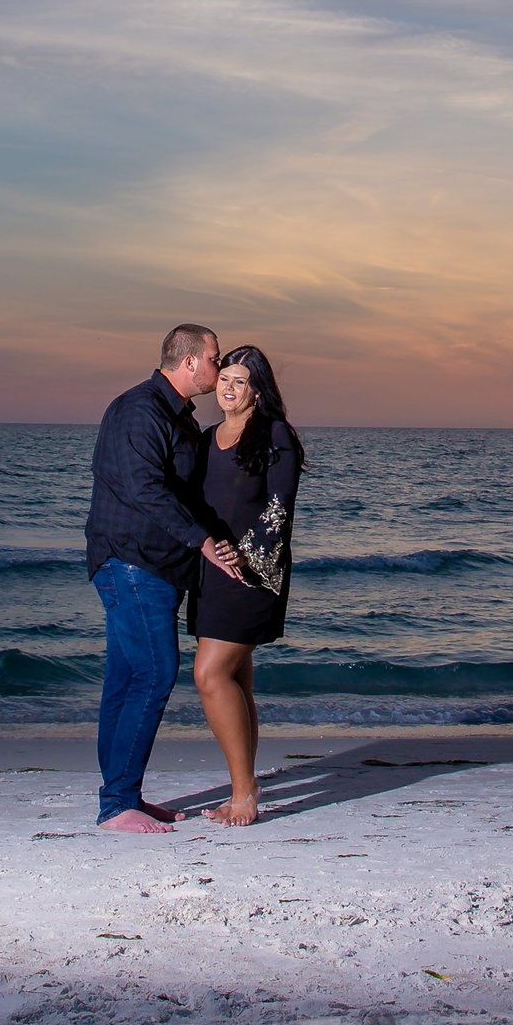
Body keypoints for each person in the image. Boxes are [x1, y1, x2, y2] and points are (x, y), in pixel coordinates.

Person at [84, 324, 245, 834]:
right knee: (153, 673)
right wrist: (202, 542)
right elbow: (145, 490)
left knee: (127, 679)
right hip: (132, 564)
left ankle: (120, 796)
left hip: (151, 566)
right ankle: (117, 805)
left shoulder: (174, 416)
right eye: (215, 359)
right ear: (191, 361)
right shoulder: (141, 409)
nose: (218, 369)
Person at [186, 344, 304, 827]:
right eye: (225, 380)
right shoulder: (208, 437)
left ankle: (243, 792)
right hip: (211, 571)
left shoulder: (275, 435)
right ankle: (246, 781)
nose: (229, 389)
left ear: (258, 388)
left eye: (240, 382)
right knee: (235, 679)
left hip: (254, 572)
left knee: (209, 676)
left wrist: (243, 554)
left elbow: (279, 511)